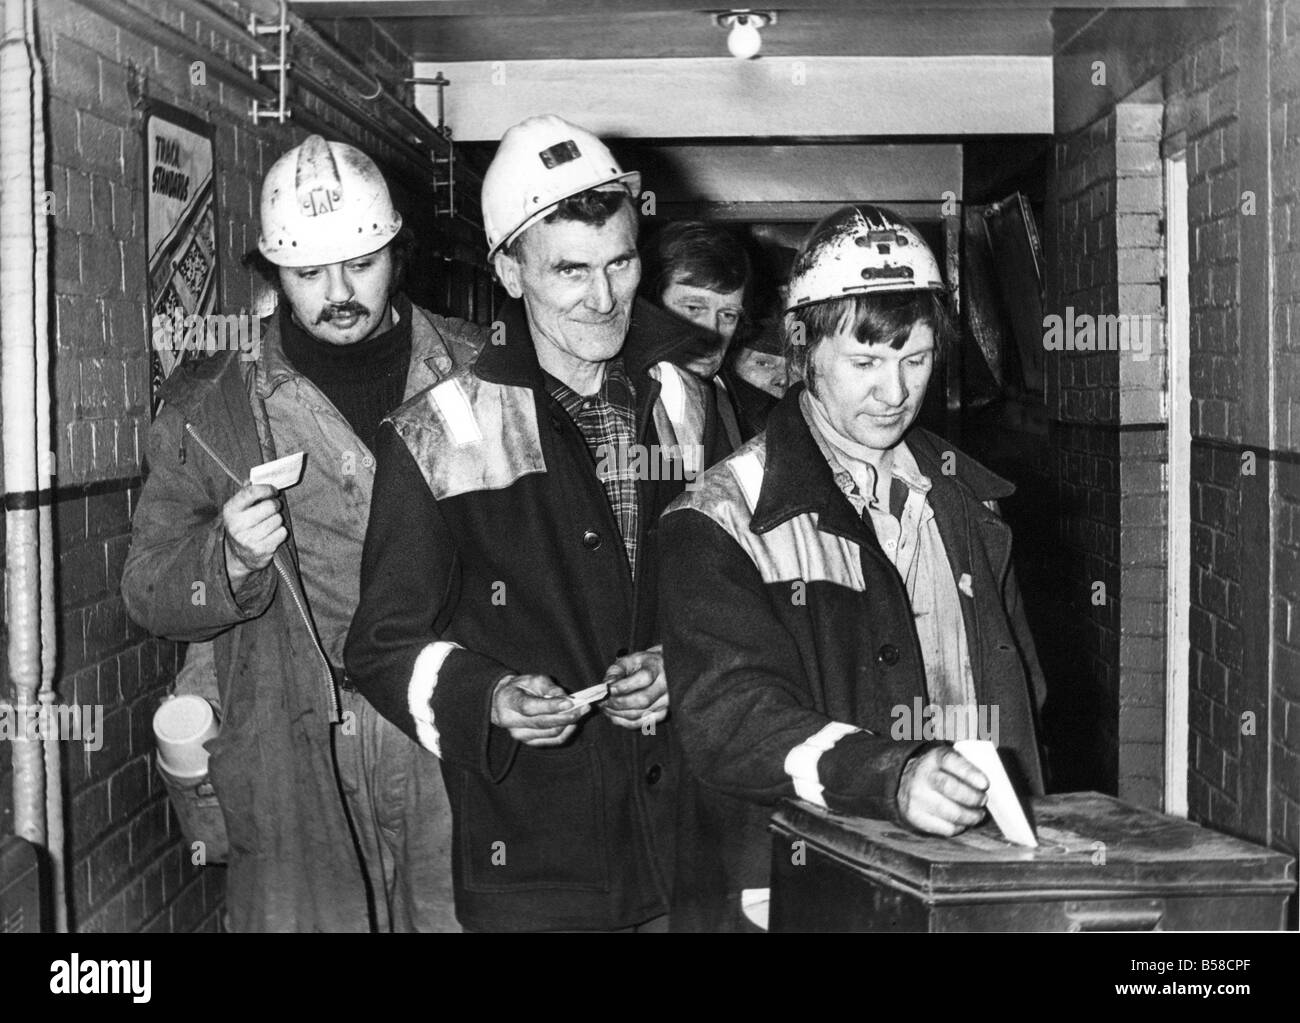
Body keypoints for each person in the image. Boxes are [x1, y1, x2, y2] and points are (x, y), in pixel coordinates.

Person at [344, 115, 729, 932]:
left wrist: (683, 659)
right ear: (510, 272)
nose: (604, 298)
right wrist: (488, 697)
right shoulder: (437, 435)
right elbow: (381, 644)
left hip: (692, 847)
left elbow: (753, 593)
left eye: (621, 263)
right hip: (538, 869)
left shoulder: (694, 408)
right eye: (570, 271)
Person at [121, 135, 486, 932]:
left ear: (397, 250)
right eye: (308, 272)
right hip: (296, 738)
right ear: (274, 273)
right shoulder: (210, 404)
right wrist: (227, 559)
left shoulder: (480, 371)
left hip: (448, 723)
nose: (339, 292)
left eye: (360, 262)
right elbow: (146, 585)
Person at [658, 204, 1047, 932]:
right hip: (801, 887)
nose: (895, 392)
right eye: (865, 362)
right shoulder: (719, 518)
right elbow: (728, 722)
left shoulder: (970, 502)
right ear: (803, 351)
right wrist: (890, 774)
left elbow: (1020, 696)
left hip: (963, 883)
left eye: (916, 358)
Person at [641, 220, 758, 447]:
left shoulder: (753, 410)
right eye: (694, 309)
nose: (712, 333)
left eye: (727, 315)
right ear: (652, 306)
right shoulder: (621, 403)